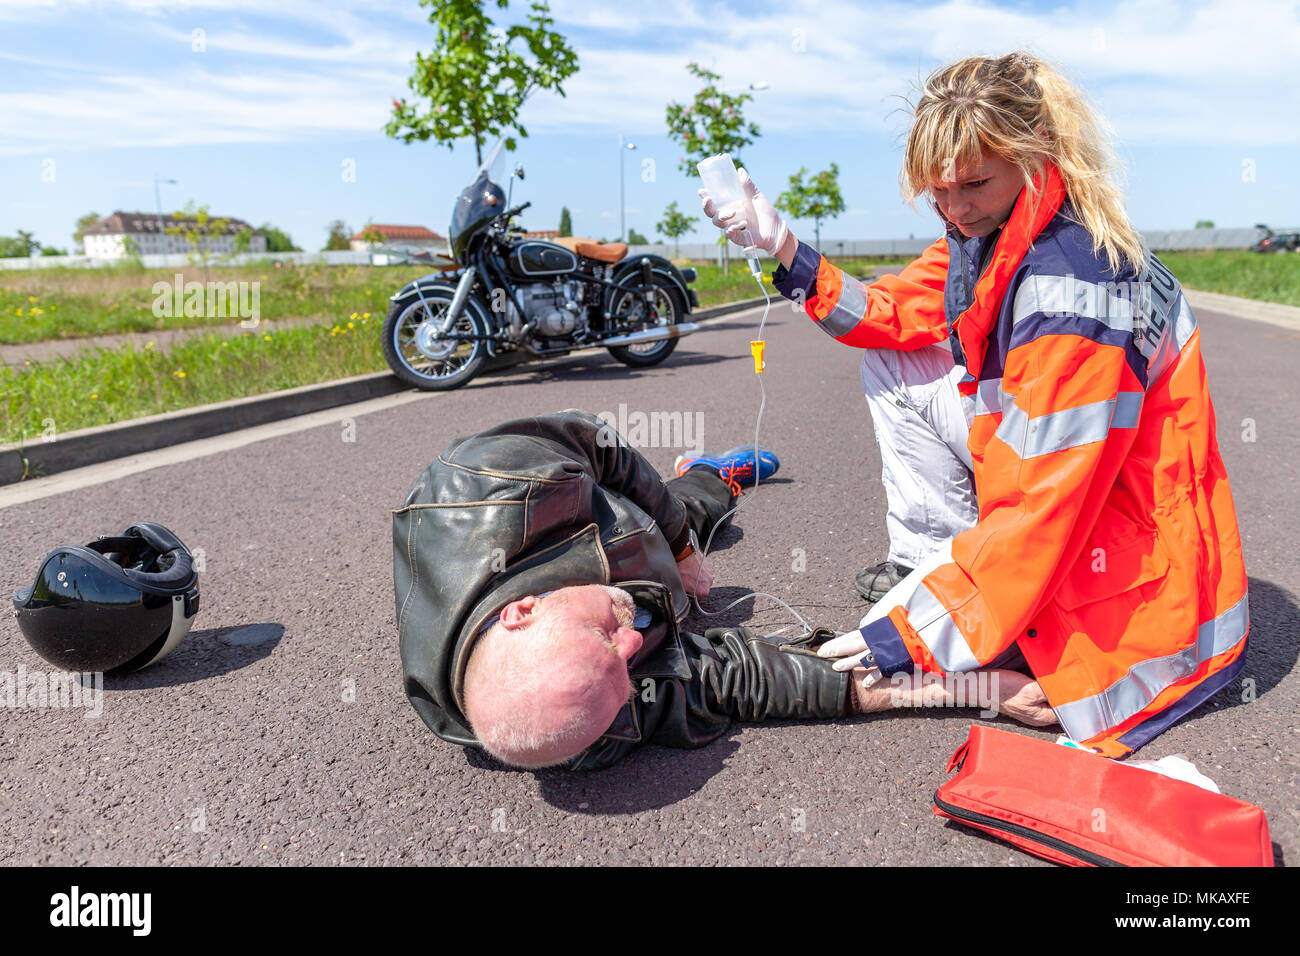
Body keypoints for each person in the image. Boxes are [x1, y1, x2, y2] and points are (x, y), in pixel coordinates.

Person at [698, 51, 1249, 758]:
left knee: (930, 632)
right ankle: (937, 570)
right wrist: (784, 249)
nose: (953, 209)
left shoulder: (1072, 288)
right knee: (895, 362)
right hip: (1067, 486)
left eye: (972, 185)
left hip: (1139, 575)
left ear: (1035, 152)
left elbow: (1046, 511)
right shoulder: (989, 232)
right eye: (938, 190)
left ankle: (974, 609)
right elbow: (888, 314)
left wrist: (909, 637)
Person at [392, 410, 1055, 771]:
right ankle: (704, 492)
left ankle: (710, 481)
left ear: (520, 612)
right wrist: (974, 688)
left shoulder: (485, 484)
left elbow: (600, 443)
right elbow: (748, 681)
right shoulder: (580, 721)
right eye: (625, 668)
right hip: (630, 561)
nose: (636, 641)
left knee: (691, 512)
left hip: (619, 515)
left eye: (603, 636)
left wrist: (679, 548)